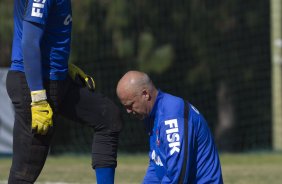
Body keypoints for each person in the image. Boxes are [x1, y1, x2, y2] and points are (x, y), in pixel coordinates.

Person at [6, 0, 122, 183]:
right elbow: (29, 42)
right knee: (24, 173)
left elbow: (46, 36)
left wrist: (63, 66)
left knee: (107, 116)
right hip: (35, 83)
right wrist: (37, 98)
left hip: (56, 79)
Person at [116, 71, 223, 184]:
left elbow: (177, 176)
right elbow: (157, 163)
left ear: (145, 94)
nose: (128, 111)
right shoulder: (152, 115)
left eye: (130, 105)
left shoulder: (172, 117)